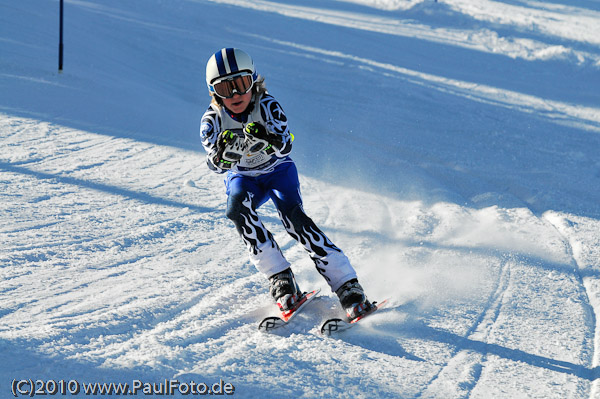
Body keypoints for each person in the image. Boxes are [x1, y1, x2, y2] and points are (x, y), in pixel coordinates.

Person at [199, 48, 372, 320]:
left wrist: (269, 137)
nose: (234, 95)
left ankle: (347, 284)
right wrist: (221, 154)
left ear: (253, 81)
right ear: (214, 91)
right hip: (244, 177)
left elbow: (286, 145)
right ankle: (280, 278)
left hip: (277, 170)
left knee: (295, 220)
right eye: (225, 87)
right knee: (237, 211)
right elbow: (213, 165)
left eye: (241, 84)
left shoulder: (267, 106)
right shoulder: (212, 121)